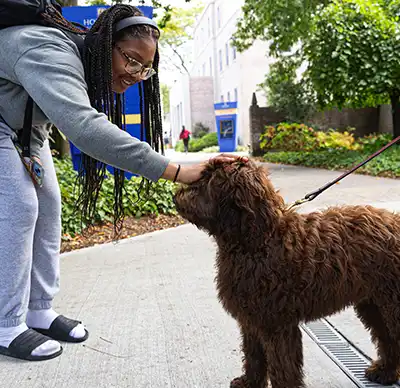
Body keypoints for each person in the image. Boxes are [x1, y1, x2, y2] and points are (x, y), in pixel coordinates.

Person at [0, 4, 246, 362]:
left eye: (145, 68)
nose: (136, 73)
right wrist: (176, 170)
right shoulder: (47, 50)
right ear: (104, 44)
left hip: (24, 132)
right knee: (20, 206)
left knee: (48, 206)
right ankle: (6, 325)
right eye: (131, 61)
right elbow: (85, 129)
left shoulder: (77, 60)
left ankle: (38, 309)